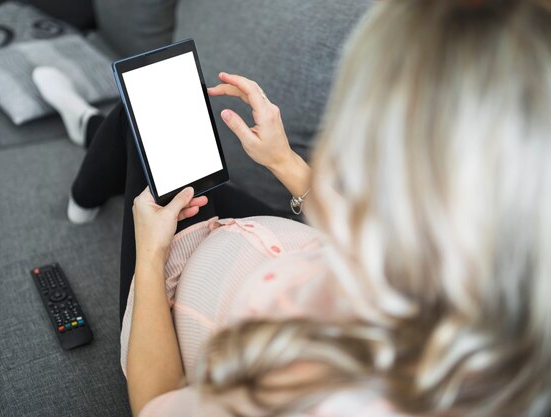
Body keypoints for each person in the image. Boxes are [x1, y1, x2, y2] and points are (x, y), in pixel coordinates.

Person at [33, 0, 551, 415]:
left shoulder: (305, 384)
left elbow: (157, 405)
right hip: (265, 237)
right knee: (150, 133)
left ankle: (84, 158)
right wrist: (282, 160)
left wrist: (150, 255)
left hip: (178, 271)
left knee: (137, 130)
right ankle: (89, 127)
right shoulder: (489, 276)